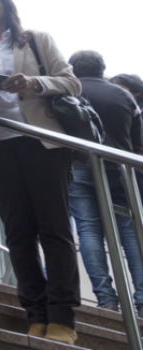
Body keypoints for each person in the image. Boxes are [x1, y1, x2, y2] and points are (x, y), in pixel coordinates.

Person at [0, 0, 81, 344]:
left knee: (54, 228)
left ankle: (63, 316)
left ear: (6, 6)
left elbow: (71, 82)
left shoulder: (36, 40)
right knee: (17, 232)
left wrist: (33, 82)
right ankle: (36, 314)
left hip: (41, 142)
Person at [68, 51, 143, 315]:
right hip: (121, 172)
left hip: (80, 168)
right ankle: (142, 300)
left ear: (72, 69)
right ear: (102, 69)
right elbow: (137, 144)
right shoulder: (123, 95)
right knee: (131, 233)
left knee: (89, 232)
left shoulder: (69, 92)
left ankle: (106, 300)